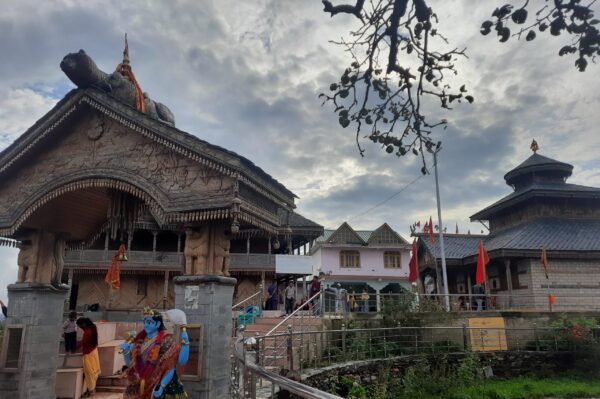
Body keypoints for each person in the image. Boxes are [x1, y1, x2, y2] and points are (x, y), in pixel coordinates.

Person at [119, 308, 189, 399]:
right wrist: (126, 352)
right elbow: (131, 365)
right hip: (139, 385)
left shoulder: (167, 341)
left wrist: (161, 386)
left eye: (149, 322)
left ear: (158, 324)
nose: (146, 325)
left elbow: (170, 367)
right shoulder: (138, 341)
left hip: (159, 385)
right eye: (144, 322)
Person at [76, 317, 101, 397]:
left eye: (80, 326)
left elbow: (83, 342)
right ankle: (92, 389)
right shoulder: (92, 328)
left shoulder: (87, 332)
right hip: (94, 352)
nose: (80, 328)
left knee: (89, 373)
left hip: (88, 354)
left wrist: (75, 348)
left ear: (84, 324)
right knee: (93, 371)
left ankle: (91, 391)